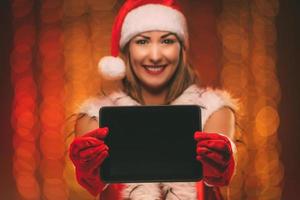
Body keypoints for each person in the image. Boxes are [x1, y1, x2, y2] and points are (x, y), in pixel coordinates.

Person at [69, 0, 238, 199]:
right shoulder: (93, 119)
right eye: (142, 41)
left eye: (167, 41)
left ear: (182, 49)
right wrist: (90, 173)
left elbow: (219, 182)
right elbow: (93, 186)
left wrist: (221, 165)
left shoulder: (214, 111)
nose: (155, 55)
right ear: (126, 50)